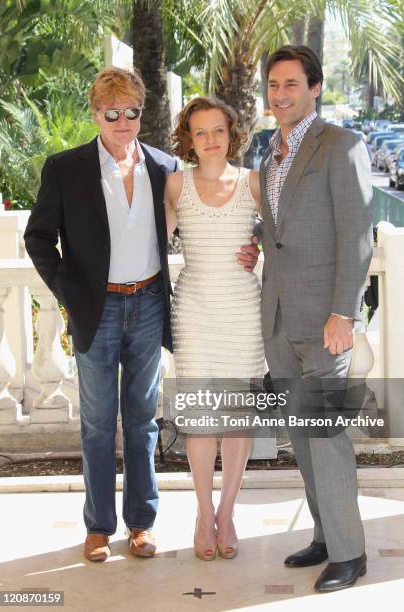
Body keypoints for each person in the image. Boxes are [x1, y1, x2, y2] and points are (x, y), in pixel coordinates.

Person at [24, 68, 258, 563]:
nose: (123, 121)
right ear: (96, 114)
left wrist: (251, 247)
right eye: (112, 113)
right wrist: (71, 291)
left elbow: (204, 216)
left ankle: (141, 524)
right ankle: (97, 527)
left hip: (150, 303)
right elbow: (38, 239)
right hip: (98, 308)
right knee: (95, 422)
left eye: (132, 111)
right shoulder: (66, 168)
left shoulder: (163, 167)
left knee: (142, 420)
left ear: (140, 112)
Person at [260, 45, 373, 592]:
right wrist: (253, 246)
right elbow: (282, 228)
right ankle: (327, 535)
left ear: (315, 88)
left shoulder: (342, 145)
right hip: (280, 318)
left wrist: (342, 312)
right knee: (303, 439)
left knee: (326, 436)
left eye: (289, 84)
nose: (279, 95)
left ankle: (351, 554)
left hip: (326, 321)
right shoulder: (270, 154)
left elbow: (356, 236)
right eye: (273, 85)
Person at [164, 97, 265, 561]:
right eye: (200, 132)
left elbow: (281, 233)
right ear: (188, 138)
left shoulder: (253, 182)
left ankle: (228, 511)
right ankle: (203, 514)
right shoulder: (174, 185)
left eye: (218, 130)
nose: (210, 140)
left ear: (231, 133)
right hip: (195, 311)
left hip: (243, 311)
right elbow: (152, 242)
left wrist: (261, 248)